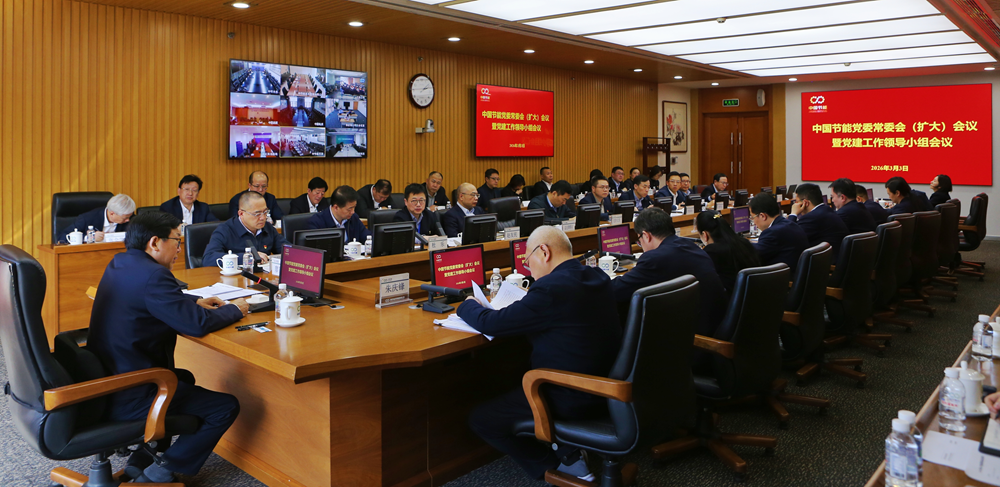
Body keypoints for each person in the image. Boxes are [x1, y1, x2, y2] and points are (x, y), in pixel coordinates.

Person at [88, 211, 249, 483]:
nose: (179, 249)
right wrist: (235, 309)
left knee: (183, 378)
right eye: (177, 240)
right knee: (225, 406)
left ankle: (142, 459)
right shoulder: (155, 275)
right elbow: (196, 324)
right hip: (132, 392)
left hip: (108, 381)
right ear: (154, 242)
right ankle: (158, 473)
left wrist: (192, 301)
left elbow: (149, 298)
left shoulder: (121, 263)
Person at [458, 226, 621, 482]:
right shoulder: (595, 275)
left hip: (571, 395)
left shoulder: (550, 289)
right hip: (609, 386)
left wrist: (468, 305)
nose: (528, 270)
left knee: (481, 419)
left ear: (544, 252)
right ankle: (568, 450)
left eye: (527, 261)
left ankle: (562, 467)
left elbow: (491, 324)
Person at [613, 208, 727, 336]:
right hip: (714, 322)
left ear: (646, 235)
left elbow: (616, 290)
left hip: (694, 335)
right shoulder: (691, 246)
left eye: (640, 241)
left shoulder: (655, 258)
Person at [203, 191, 287, 267]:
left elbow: (287, 251)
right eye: (257, 214)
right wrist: (246, 258)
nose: (263, 218)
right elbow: (208, 258)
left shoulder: (268, 227)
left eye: (265, 212)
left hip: (263, 275)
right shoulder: (225, 230)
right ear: (241, 214)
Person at [695, 210, 761, 295]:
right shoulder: (744, 242)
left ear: (705, 235)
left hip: (730, 298)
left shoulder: (712, 251)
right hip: (754, 296)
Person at [788, 183, 849, 260]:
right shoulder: (826, 210)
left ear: (805, 203)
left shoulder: (812, 217)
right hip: (836, 258)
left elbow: (789, 237)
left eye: (796, 202)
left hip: (827, 263)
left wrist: (793, 214)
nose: (795, 205)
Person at [751, 193, 809, 273]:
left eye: (752, 217)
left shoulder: (772, 233)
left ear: (762, 216)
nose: (754, 222)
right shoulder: (791, 224)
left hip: (784, 278)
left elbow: (753, 255)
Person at [58, 193, 136, 243]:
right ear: (112, 213)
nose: (128, 220)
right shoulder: (87, 219)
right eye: (125, 218)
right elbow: (62, 238)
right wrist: (88, 238)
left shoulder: (130, 217)